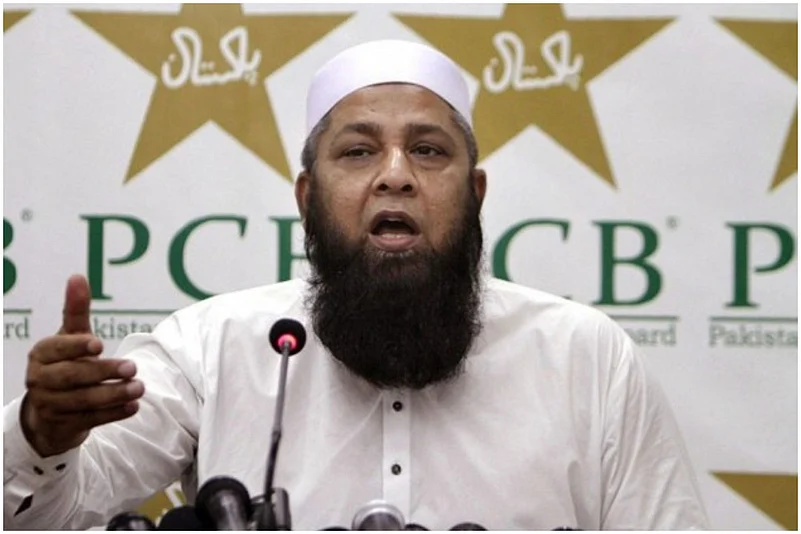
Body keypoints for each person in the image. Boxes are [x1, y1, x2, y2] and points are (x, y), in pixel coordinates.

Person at [3, 39, 709, 530]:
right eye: (359, 151)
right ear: (307, 197)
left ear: (474, 193)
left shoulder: (587, 358)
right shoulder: (209, 348)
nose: (395, 175)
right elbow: (46, 516)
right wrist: (42, 434)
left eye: (427, 150)